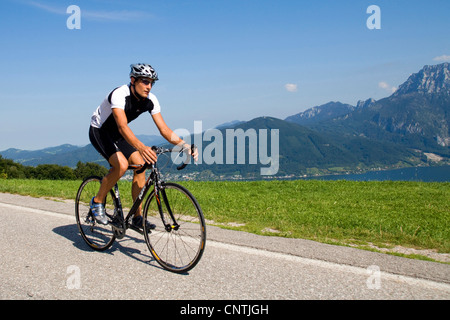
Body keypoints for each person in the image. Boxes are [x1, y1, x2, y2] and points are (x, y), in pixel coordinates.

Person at [88, 63, 197, 230]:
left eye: (152, 82)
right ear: (133, 80)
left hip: (119, 134)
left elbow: (164, 129)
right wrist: (141, 147)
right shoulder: (119, 94)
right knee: (122, 165)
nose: (149, 86)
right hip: (100, 131)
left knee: (141, 164)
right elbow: (122, 126)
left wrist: (184, 145)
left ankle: (137, 217)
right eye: (145, 82)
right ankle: (97, 202)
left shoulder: (151, 100)